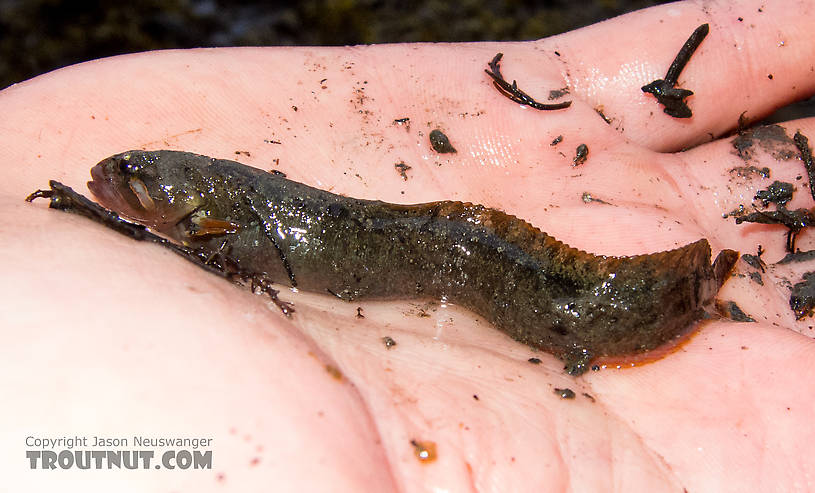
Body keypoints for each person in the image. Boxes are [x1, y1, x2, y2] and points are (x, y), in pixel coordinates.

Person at [3, 0, 814, 490]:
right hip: (405, 251)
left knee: (465, 252)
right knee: (453, 248)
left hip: (425, 250)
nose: (118, 180)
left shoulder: (209, 210)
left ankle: (667, 296)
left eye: (136, 175)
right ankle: (663, 296)